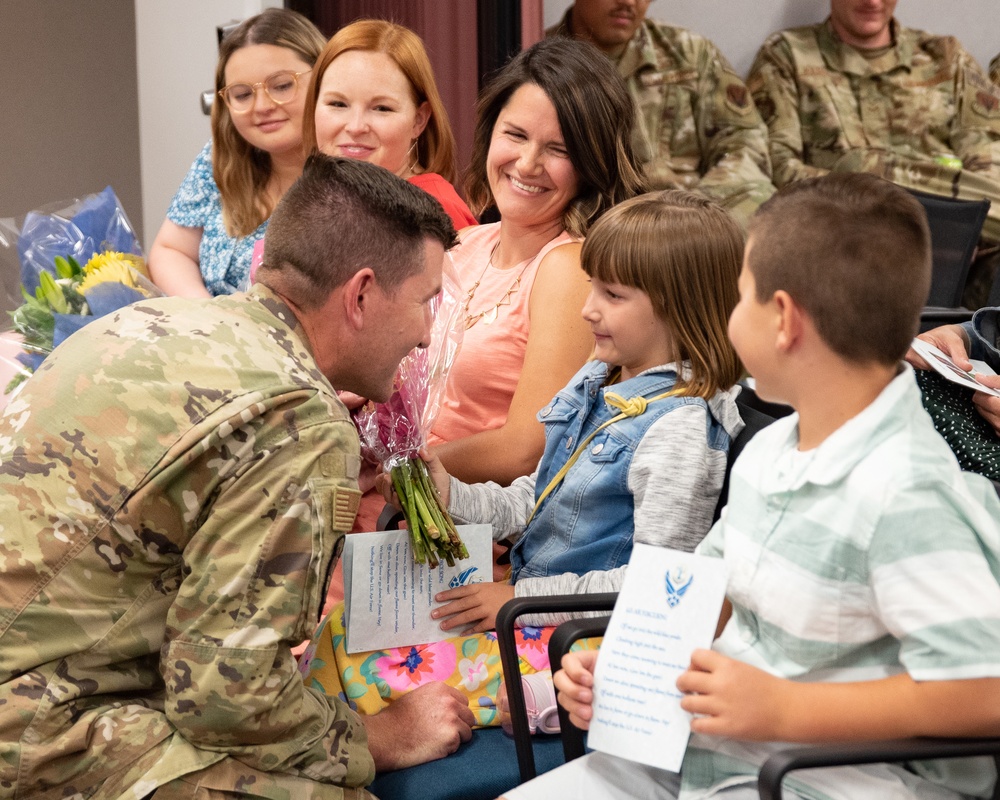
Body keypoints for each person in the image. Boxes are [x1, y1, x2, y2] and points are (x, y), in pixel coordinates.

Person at [504, 172, 1000, 800]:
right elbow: (708, 597)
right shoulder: (771, 451)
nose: (728, 315)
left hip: (819, 780)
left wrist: (786, 709)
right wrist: (629, 666)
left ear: (784, 321)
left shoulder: (908, 494)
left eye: (740, 298)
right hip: (711, 754)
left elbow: (984, 690)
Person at [0, 155, 477, 799]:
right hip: (39, 729)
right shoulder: (300, 419)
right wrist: (379, 738)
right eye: (425, 303)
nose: (425, 336)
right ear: (361, 294)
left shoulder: (151, 321)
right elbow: (226, 697)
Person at [305, 190, 745, 723]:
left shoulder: (679, 429)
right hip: (526, 610)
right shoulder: (600, 381)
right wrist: (453, 495)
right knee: (345, 630)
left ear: (679, 306)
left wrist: (517, 598)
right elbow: (536, 501)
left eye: (613, 295)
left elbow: (656, 588)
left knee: (359, 667)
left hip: (578, 646)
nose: (588, 308)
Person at [430, 37, 646, 488]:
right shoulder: (465, 242)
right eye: (515, 135)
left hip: (472, 527)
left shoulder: (568, 267)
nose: (527, 164)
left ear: (591, 164)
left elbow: (525, 449)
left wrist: (398, 469)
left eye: (559, 149)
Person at [747, 0, 1000, 306]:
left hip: (961, 248)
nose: (872, 1)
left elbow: (988, 153)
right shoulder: (787, 56)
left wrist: (960, 232)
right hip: (850, 238)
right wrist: (870, 190)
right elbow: (778, 166)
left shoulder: (945, 57)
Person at [546, 0, 775, 226]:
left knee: (761, 202)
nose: (628, 2)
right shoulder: (542, 61)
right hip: (595, 219)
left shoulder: (688, 53)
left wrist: (694, 211)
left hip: (689, 213)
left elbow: (744, 141)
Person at [148, 9, 325, 298]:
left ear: (323, 78)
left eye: (281, 86)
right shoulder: (218, 158)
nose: (262, 106)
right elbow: (171, 250)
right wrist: (210, 319)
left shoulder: (349, 178)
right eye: (242, 94)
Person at [302, 18, 476, 231]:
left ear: (419, 119)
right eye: (338, 104)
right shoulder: (320, 200)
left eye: (381, 108)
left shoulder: (437, 210)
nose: (356, 127)